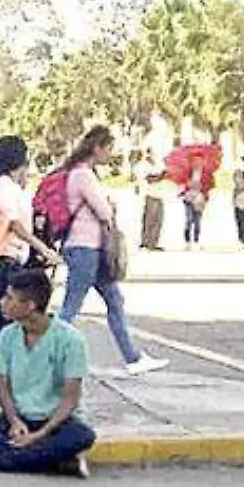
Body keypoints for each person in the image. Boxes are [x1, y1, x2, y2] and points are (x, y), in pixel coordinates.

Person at [0, 269, 96, 477]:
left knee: (82, 436)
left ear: (30, 306)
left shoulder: (71, 340)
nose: (2, 302)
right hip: (18, 420)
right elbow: (2, 385)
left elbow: (70, 399)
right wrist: (15, 421)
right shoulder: (7, 335)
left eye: (10, 298)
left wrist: (39, 435)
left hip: (54, 422)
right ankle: (54, 461)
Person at [53, 126, 169, 377]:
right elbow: (103, 211)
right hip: (84, 248)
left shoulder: (80, 173)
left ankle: (133, 357)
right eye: (108, 149)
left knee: (115, 300)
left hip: (92, 249)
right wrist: (109, 206)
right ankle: (43, 356)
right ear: (97, 148)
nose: (110, 154)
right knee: (71, 306)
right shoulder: (83, 175)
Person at [0, 136, 63, 374]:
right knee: (11, 311)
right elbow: (13, 223)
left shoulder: (8, 185)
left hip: (11, 255)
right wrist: (42, 248)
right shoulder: (3, 186)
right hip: (5, 255)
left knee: (5, 312)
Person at [182, 157, 212, 247]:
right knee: (189, 219)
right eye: (195, 162)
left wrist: (206, 194)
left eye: (199, 162)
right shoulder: (187, 174)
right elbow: (183, 186)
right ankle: (187, 241)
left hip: (199, 200)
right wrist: (186, 185)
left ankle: (196, 240)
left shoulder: (205, 175)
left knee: (197, 221)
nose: (197, 164)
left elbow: (209, 186)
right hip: (189, 199)